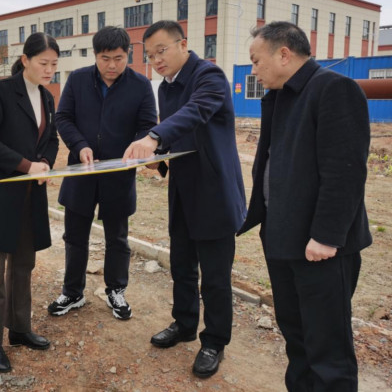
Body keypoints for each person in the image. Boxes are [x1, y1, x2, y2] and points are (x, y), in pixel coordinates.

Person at [239, 21, 372, 391]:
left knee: (327, 348)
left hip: (321, 248)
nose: (253, 70)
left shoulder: (333, 89)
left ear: (284, 54)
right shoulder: (282, 96)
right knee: (296, 337)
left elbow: (345, 172)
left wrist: (327, 236)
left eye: (256, 60)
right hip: (283, 239)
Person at [123, 20, 246, 379]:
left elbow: (195, 113)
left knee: (216, 276)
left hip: (214, 190)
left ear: (182, 44)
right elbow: (178, 134)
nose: (156, 60)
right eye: (150, 56)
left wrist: (153, 137)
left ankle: (214, 342)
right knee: (182, 265)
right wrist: (158, 158)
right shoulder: (166, 87)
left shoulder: (209, 76)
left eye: (161, 51)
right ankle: (185, 323)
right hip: (183, 188)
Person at [0, 33, 60, 373]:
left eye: (53, 65)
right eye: (43, 63)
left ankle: (19, 328)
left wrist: (44, 163)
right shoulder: (1, 91)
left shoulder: (46, 97)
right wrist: (25, 165)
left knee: (23, 265)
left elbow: (51, 139)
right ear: (25, 60)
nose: (49, 70)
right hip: (0, 192)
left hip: (30, 195)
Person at [48, 26, 157, 320]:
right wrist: (80, 145)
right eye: (105, 58)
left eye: (118, 58)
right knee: (75, 236)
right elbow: (63, 117)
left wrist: (138, 146)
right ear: (95, 55)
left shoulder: (140, 85)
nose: (111, 65)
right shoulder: (78, 80)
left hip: (118, 173)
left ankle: (116, 290)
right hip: (81, 171)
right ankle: (73, 292)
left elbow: (148, 125)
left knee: (117, 238)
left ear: (128, 55)